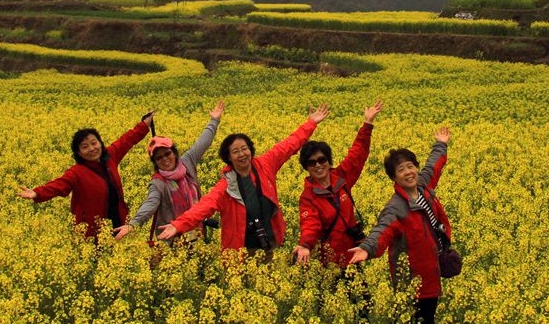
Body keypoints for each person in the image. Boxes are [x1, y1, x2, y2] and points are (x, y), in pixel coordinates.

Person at [347, 127, 452, 324]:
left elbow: (433, 167)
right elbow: (381, 231)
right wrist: (367, 249)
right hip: (412, 277)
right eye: (401, 170)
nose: (408, 172)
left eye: (410, 166)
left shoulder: (424, 188)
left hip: (431, 271)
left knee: (417, 321)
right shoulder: (396, 207)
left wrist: (441, 145)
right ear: (393, 177)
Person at [157, 105, 330, 252]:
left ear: (251, 150)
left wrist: (311, 123)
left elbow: (289, 145)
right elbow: (203, 207)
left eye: (244, 148)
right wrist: (178, 225)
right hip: (240, 250)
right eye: (236, 151)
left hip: (271, 241)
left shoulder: (265, 164)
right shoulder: (226, 186)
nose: (242, 154)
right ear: (229, 157)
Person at [17, 112, 154, 239]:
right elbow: (58, 185)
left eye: (94, 143)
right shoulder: (77, 172)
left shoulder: (110, 156)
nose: (92, 149)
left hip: (118, 220)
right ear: (79, 153)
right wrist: (36, 193)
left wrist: (144, 124)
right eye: (85, 147)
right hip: (92, 231)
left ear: (100, 143)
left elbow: (126, 140)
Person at [112, 100, 225, 244]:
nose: (165, 159)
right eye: (159, 158)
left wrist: (214, 120)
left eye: (167, 154)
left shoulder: (187, 162)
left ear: (174, 152)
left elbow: (203, 142)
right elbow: (150, 204)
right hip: (171, 238)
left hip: (195, 230)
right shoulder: (158, 182)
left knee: (196, 255)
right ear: (155, 163)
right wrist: (133, 223)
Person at [294, 100, 383, 267]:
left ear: (329, 161)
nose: (318, 165)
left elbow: (357, 155)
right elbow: (309, 224)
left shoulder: (341, 178)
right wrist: (305, 245)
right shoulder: (308, 197)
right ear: (306, 168)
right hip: (331, 260)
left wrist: (368, 123)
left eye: (322, 160)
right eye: (312, 163)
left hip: (353, 253)